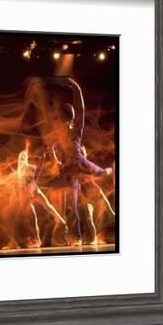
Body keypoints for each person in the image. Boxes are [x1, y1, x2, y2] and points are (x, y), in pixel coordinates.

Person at [50, 78, 113, 245]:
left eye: (61, 118)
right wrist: (76, 88)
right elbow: (80, 110)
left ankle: (77, 236)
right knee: (75, 205)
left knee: (75, 203)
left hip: (75, 165)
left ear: (66, 119)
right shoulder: (68, 131)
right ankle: (76, 236)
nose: (60, 121)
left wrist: (76, 89)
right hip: (73, 166)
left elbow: (80, 110)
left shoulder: (71, 130)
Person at [15, 141, 68, 248]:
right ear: (27, 144)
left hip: (32, 187)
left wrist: (45, 157)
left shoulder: (35, 155)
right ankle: (35, 238)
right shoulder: (23, 154)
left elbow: (42, 171)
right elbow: (21, 169)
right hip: (24, 189)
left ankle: (61, 222)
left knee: (47, 206)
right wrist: (34, 165)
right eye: (29, 144)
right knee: (29, 214)